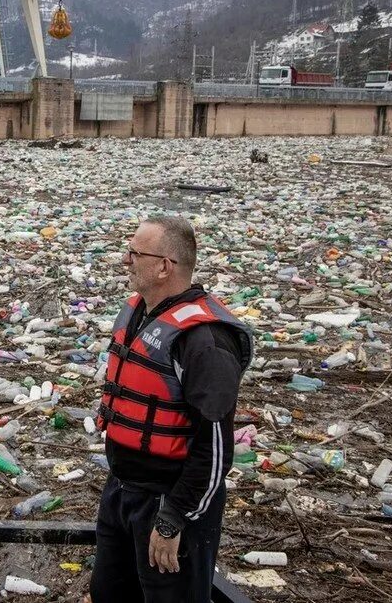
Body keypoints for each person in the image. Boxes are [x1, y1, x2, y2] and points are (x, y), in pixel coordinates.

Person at [88, 216, 252, 603]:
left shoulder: (204, 341)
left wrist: (172, 518)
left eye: (134, 253)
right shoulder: (141, 314)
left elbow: (214, 450)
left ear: (164, 266)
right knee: (108, 594)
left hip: (170, 505)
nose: (125, 261)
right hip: (122, 491)